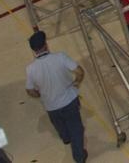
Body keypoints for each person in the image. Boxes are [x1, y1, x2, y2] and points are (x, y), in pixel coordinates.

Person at [24, 30, 87, 163]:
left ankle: (66, 138)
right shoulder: (60, 57)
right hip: (69, 101)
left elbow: (29, 90)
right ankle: (79, 157)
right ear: (46, 44)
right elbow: (80, 72)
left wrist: (40, 95)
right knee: (76, 129)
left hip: (51, 106)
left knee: (60, 125)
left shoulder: (30, 69)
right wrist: (75, 83)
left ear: (33, 50)